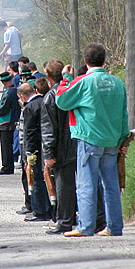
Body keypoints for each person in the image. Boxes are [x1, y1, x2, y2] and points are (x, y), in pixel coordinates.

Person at [57, 43, 130, 237]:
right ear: (104, 59)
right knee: (111, 185)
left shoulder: (83, 82)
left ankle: (86, 226)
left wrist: (65, 78)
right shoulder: (117, 83)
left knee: (86, 184)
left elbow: (62, 101)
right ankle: (115, 227)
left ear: (85, 61)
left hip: (89, 139)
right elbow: (124, 114)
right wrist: (123, 140)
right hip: (112, 140)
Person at [41, 60, 78, 234]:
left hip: (62, 148)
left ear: (48, 75)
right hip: (79, 143)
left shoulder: (50, 96)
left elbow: (48, 128)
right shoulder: (73, 89)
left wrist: (48, 152)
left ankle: (64, 221)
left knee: (64, 185)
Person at [19, 82, 53, 222]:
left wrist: (28, 152)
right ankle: (49, 208)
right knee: (46, 179)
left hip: (35, 149)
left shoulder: (29, 108)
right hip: (46, 146)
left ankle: (40, 211)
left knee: (36, 179)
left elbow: (29, 132)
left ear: (22, 96)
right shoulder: (43, 101)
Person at [0, 71, 20, 175]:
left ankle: (6, 167)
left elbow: (3, 110)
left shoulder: (8, 93)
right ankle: (9, 167)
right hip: (13, 120)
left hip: (6, 122)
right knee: (9, 146)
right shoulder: (15, 90)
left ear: (2, 82)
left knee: (5, 147)